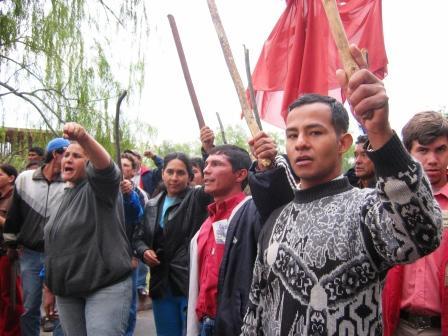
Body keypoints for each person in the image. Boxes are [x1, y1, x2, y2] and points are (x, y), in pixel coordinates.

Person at [240, 46, 442, 335]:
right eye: (293, 134)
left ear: (343, 143)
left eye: (315, 132)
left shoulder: (367, 208)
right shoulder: (276, 219)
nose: (301, 143)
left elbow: (422, 234)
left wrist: (381, 133)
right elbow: (256, 307)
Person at [43, 122, 133, 336]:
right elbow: (54, 246)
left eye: (77, 156)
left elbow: (108, 170)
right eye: (66, 155)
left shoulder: (100, 189)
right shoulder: (63, 195)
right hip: (67, 292)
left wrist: (83, 137)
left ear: (89, 164)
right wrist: (49, 287)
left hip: (105, 286)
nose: (68, 159)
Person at [186, 137, 276, 336]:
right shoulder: (206, 223)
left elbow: (275, 203)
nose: (206, 170)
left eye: (216, 164)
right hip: (205, 324)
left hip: (237, 325)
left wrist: (267, 167)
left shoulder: (253, 211)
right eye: (206, 164)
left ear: (241, 174)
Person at [382, 111, 448, 336]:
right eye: (423, 150)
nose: (432, 159)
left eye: (441, 149)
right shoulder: (388, 203)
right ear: (408, 153)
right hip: (397, 324)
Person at [133, 152, 211, 336]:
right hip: (161, 284)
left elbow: (215, 178)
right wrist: (144, 251)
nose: (174, 178)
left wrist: (208, 149)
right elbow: (137, 238)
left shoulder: (197, 199)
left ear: (190, 177)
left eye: (181, 173)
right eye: (170, 172)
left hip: (189, 284)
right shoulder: (152, 205)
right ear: (162, 174)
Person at [3, 138, 69, 336]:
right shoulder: (25, 178)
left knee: (59, 307)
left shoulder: (70, 183)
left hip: (59, 255)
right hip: (30, 253)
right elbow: (14, 215)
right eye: (67, 154)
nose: (70, 161)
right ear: (55, 154)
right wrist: (12, 244)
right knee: (29, 307)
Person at [120, 153, 145, 336]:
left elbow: (141, 226)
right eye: (119, 164)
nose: (122, 168)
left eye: (127, 165)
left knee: (128, 301)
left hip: (129, 254)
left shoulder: (138, 194)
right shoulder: (106, 189)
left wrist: (135, 254)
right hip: (108, 254)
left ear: (134, 170)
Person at [0, 163, 23, 336]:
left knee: (10, 298)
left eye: (0, 175)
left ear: (11, 178)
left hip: (8, 253)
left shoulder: (16, 198)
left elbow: (15, 226)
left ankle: (10, 332)